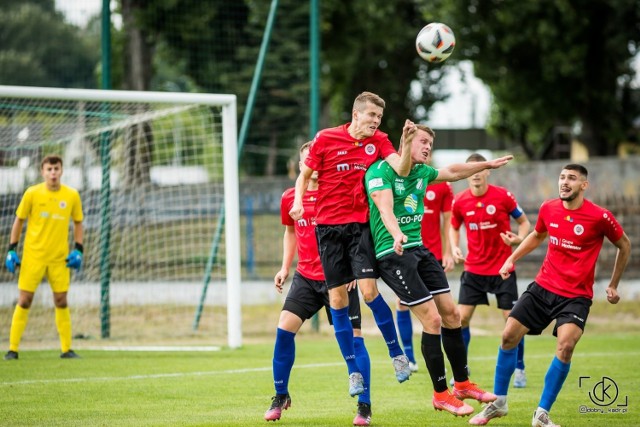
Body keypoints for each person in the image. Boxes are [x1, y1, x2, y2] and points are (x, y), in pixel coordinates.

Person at [365, 124, 512, 416]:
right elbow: (385, 210)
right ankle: (440, 394)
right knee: (431, 320)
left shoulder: (422, 173)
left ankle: (463, 383)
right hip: (392, 254)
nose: (428, 147)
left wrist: (486, 164)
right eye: (423, 141)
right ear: (406, 140)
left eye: (431, 143)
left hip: (419, 249)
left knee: (452, 314)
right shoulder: (379, 171)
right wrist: (395, 234)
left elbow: (454, 172)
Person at [469, 163, 631, 426]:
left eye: (572, 178)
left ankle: (542, 413)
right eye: (562, 177)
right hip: (543, 287)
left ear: (583, 185)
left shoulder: (600, 216)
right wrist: (511, 258)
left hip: (576, 296)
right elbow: (537, 234)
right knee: (509, 334)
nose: (565, 182)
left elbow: (624, 245)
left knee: (566, 346)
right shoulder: (548, 207)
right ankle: (498, 402)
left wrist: (614, 284)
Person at [289, 91, 415, 396]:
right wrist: (297, 203)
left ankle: (397, 353)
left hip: (360, 228)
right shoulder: (326, 138)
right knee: (337, 303)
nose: (375, 121)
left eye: (379, 117)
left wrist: (407, 142)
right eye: (371, 115)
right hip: (328, 231)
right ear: (356, 114)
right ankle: (353, 371)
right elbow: (304, 176)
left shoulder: (380, 141)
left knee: (370, 291)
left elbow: (401, 168)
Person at [265, 143, 373, 426]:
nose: (311, 166)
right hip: (306, 278)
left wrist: (354, 271)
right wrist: (284, 267)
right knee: (283, 329)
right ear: (302, 165)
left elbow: (355, 235)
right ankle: (280, 394)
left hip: (339, 280)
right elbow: (290, 233)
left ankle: (364, 405)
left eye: (316, 161)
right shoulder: (290, 198)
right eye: (306, 162)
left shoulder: (338, 195)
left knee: (355, 339)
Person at [449, 153, 530, 387]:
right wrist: (454, 247)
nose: (475, 174)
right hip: (473, 270)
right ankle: (461, 371)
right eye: (470, 170)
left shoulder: (503, 196)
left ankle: (520, 368)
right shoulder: (460, 201)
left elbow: (524, 222)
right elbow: (454, 226)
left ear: (487, 171)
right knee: (461, 319)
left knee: (512, 321)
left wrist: (519, 239)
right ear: (465, 173)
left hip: (502, 269)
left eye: (479, 170)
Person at [4, 154, 84, 360]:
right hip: (33, 257)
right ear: (42, 172)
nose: (53, 173)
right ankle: (13, 349)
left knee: (61, 300)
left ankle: (66, 349)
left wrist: (78, 249)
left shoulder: (72, 195)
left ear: (62, 170)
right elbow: (19, 221)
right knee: (25, 300)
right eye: (49, 169)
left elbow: (78, 223)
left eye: (56, 169)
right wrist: (12, 249)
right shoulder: (32, 193)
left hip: (59, 258)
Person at [396, 173, 455, 373]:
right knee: (402, 305)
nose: (425, 150)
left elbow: (448, 221)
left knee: (440, 310)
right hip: (406, 253)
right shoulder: (399, 180)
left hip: (433, 255)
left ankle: (440, 359)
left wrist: (448, 251)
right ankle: (410, 358)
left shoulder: (441, 185)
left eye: (428, 144)